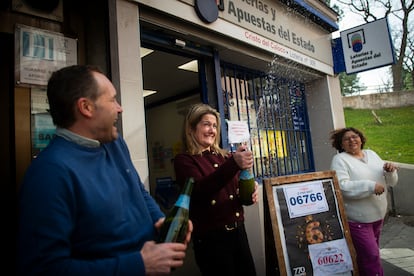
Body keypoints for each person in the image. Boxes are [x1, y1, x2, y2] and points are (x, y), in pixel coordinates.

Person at [17, 65, 192, 275]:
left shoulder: (114, 143)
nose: (120, 108)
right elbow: (44, 268)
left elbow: (138, 191)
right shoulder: (49, 173)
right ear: (86, 107)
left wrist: (160, 220)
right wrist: (140, 264)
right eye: (112, 100)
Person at [174, 103, 259, 276]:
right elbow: (200, 190)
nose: (212, 130)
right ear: (191, 128)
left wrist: (251, 188)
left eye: (214, 126)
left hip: (238, 232)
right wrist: (234, 164)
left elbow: (240, 197)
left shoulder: (225, 157)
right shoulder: (184, 160)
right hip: (211, 240)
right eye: (206, 124)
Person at [329, 127, 398, 276]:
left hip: (378, 217)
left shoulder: (372, 154)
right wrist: (370, 186)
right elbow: (341, 186)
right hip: (357, 220)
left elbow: (391, 182)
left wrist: (390, 171)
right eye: (346, 139)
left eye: (355, 137)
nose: (352, 140)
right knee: (371, 256)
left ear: (361, 139)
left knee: (367, 256)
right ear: (341, 145)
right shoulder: (340, 160)